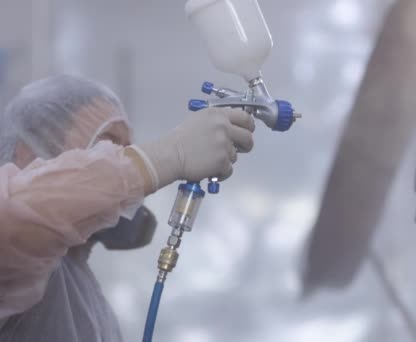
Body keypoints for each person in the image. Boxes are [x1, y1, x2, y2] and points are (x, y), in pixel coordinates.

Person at [0, 75, 255, 341]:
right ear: (26, 153)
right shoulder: (15, 267)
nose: (118, 158)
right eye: (106, 146)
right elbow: (11, 224)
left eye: (126, 150)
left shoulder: (81, 290)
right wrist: (167, 156)